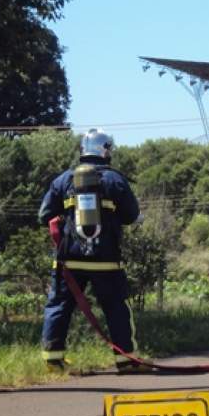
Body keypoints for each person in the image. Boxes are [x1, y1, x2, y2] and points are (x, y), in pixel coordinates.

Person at [38, 128, 149, 374]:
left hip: (69, 261)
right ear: (106, 150)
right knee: (116, 308)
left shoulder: (63, 180)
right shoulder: (116, 180)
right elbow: (131, 216)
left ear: (82, 150)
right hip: (106, 261)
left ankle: (52, 362)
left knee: (58, 306)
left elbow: (43, 215)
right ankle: (126, 361)